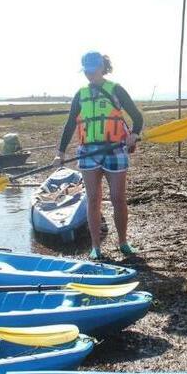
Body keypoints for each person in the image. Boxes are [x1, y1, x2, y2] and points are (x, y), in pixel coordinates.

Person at [52, 51, 143, 260]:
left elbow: (137, 117)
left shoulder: (116, 90)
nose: (89, 75)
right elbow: (69, 124)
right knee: (93, 200)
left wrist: (134, 135)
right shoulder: (80, 94)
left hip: (115, 150)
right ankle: (96, 247)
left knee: (118, 199)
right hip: (88, 152)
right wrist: (60, 152)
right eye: (86, 71)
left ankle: (123, 243)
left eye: (92, 70)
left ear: (102, 67)